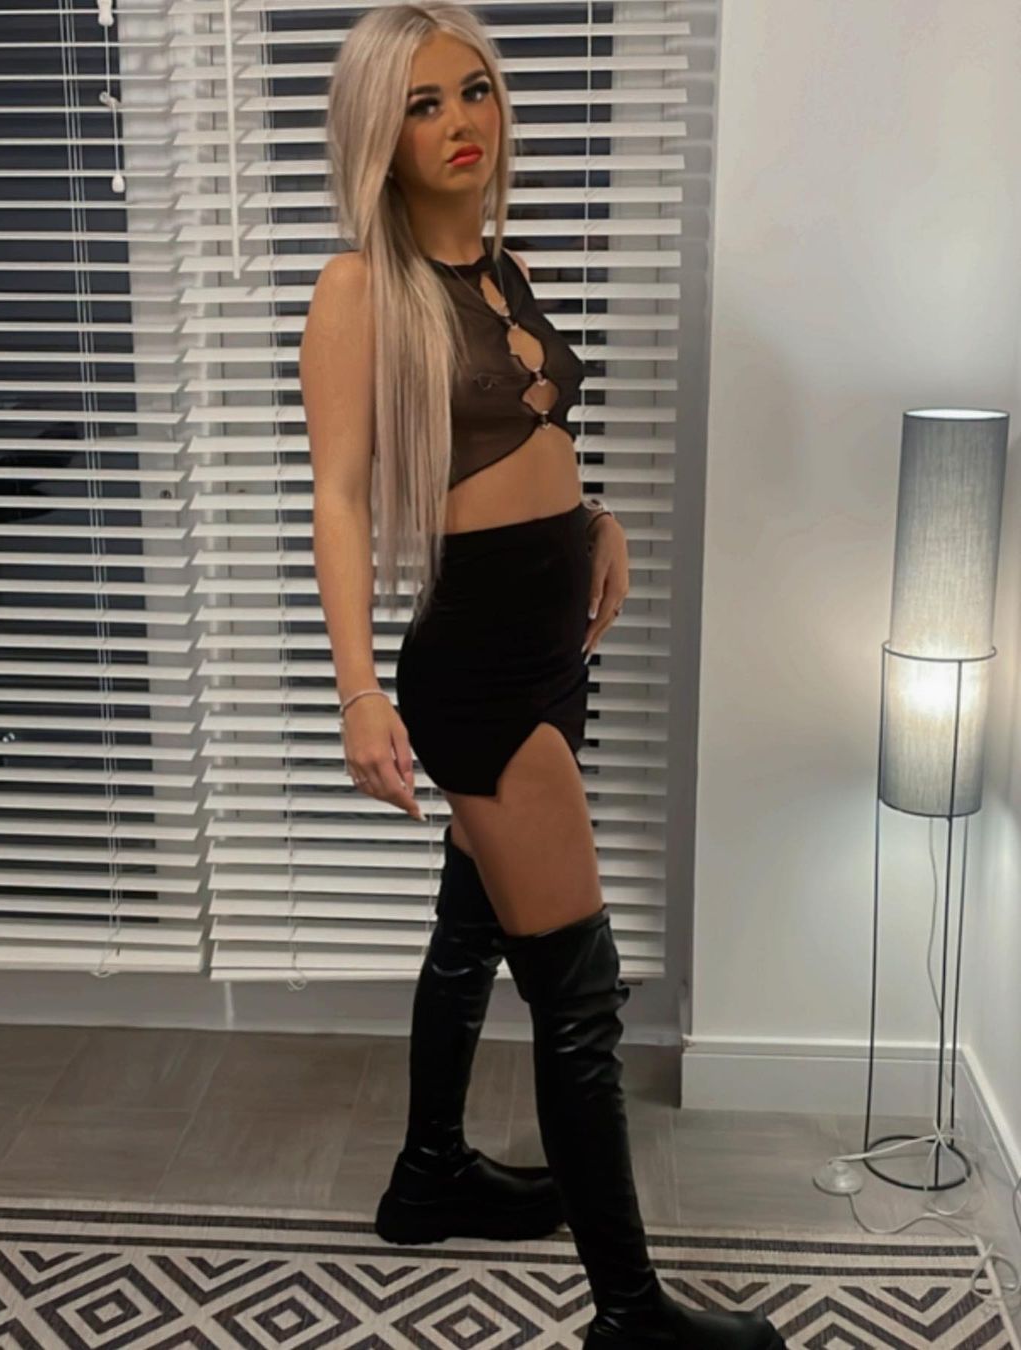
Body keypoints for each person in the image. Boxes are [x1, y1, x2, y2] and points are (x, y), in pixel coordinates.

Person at [301, 5, 786, 1346]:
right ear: (378, 135)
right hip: (482, 672)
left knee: (473, 929)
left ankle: (428, 1177)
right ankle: (629, 1315)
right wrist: (358, 692)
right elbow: (340, 499)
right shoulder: (359, 291)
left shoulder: (505, 268)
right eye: (422, 104)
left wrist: (597, 521)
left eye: (475, 90)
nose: (461, 122)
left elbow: (527, 446)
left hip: (550, 643)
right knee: (580, 994)